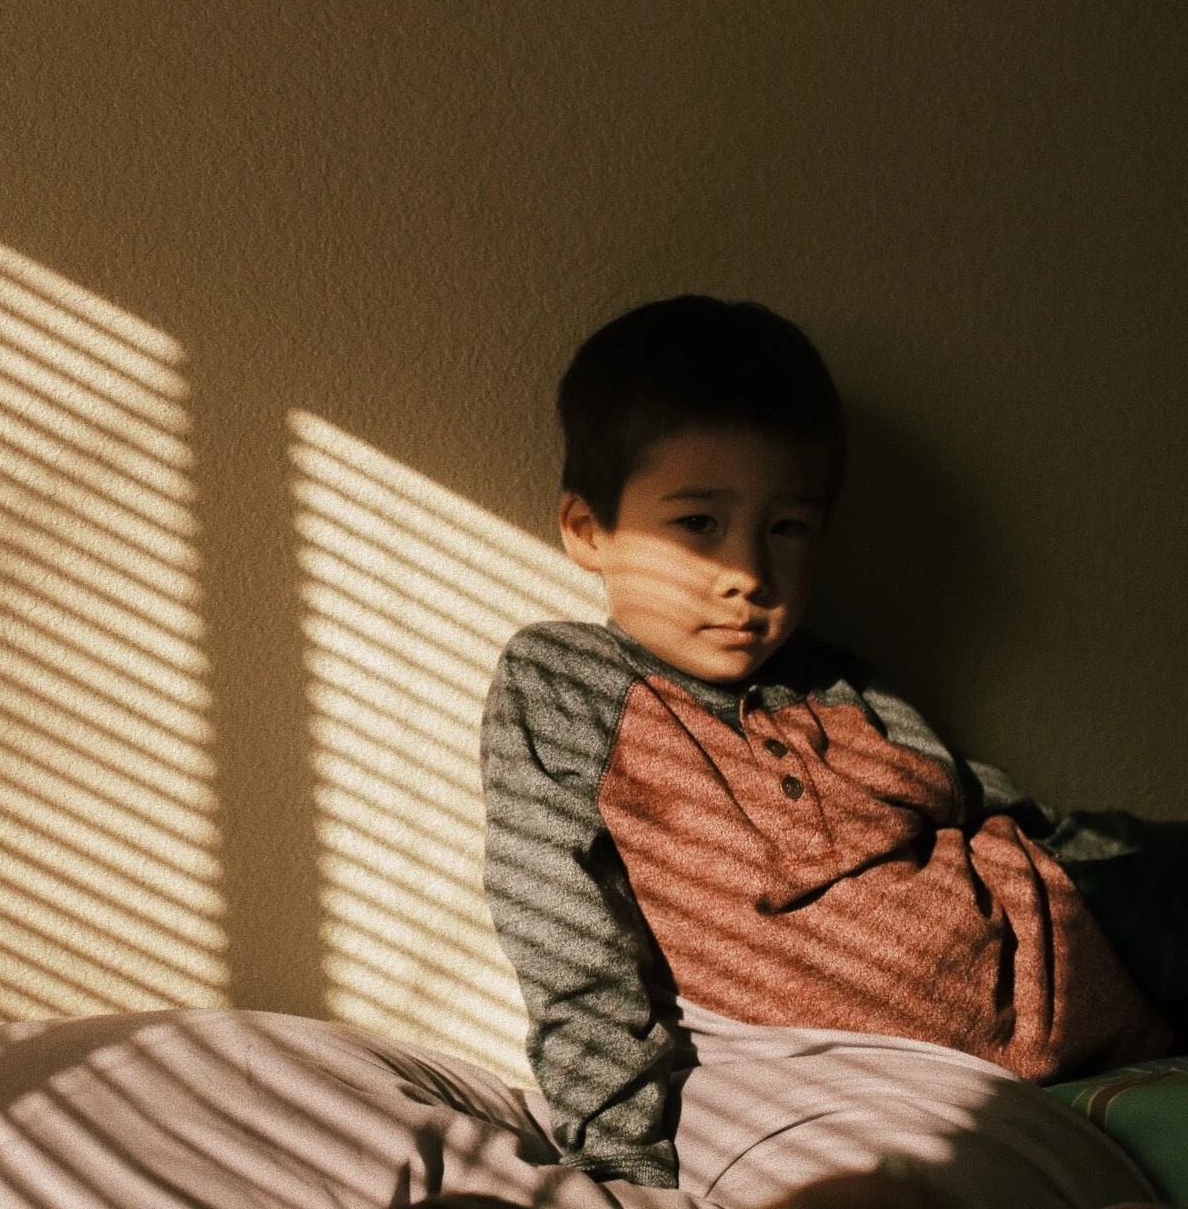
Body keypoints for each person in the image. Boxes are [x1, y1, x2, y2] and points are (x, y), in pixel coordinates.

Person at [479, 296, 1180, 1194]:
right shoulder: (567, 684)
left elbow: (989, 808)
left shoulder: (844, 686)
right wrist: (622, 1167)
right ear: (588, 531)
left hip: (1090, 923)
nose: (746, 574)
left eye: (787, 529)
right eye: (698, 524)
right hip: (995, 1041)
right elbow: (567, 941)